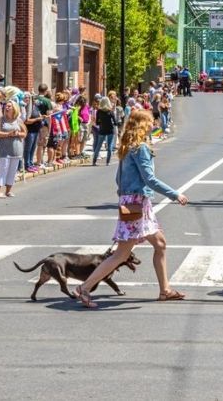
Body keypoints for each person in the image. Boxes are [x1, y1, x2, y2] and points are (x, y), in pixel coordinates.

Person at [75, 109, 189, 307]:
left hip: (134, 202)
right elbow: (149, 179)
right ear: (143, 125)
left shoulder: (127, 147)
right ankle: (84, 288)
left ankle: (165, 290)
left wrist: (123, 194)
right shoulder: (141, 148)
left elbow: (118, 178)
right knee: (122, 253)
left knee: (160, 244)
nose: (153, 124)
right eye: (150, 122)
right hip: (136, 203)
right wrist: (174, 194)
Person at [0, 100, 26, 198]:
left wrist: (17, 134)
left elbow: (24, 133)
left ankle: (8, 190)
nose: (7, 108)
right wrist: (8, 134)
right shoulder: (1, 120)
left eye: (9, 106)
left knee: (12, 171)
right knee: (2, 169)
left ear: (14, 108)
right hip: (4, 148)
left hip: (16, 149)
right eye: (6, 106)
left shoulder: (18, 120)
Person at [91, 94, 116, 165]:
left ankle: (94, 161)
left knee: (98, 145)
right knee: (110, 146)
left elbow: (97, 122)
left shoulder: (99, 111)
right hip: (110, 129)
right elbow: (115, 122)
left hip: (102, 129)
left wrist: (101, 122)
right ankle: (108, 162)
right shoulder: (110, 111)